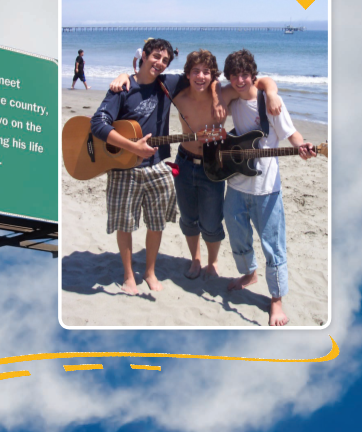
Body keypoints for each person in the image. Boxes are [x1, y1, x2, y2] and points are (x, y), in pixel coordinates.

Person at [109, 51, 282, 282]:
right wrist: (124, 75)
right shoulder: (176, 95)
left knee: (211, 221)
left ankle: (213, 262)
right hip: (185, 162)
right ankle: (195, 259)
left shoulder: (225, 93)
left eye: (206, 72)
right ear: (188, 74)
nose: (201, 76)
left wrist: (270, 94)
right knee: (189, 220)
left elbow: (260, 81)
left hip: (215, 164)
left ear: (213, 75)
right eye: (196, 71)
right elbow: (146, 78)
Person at [92, 38, 197, 294]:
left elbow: (202, 76)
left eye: (165, 60)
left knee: (156, 222)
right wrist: (132, 147)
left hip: (158, 166)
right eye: (156, 57)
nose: (160, 63)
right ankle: (129, 275)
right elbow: (98, 124)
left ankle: (149, 271)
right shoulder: (123, 88)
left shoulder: (168, 84)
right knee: (124, 223)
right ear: (144, 55)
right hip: (123, 169)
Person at [220, 49, 316, 326]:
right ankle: (249, 274)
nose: (240, 80)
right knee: (237, 236)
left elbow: (290, 132)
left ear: (253, 75)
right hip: (236, 183)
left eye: (245, 75)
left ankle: (276, 300)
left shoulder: (269, 100)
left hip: (266, 187)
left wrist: (302, 146)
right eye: (235, 75)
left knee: (273, 244)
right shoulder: (232, 98)